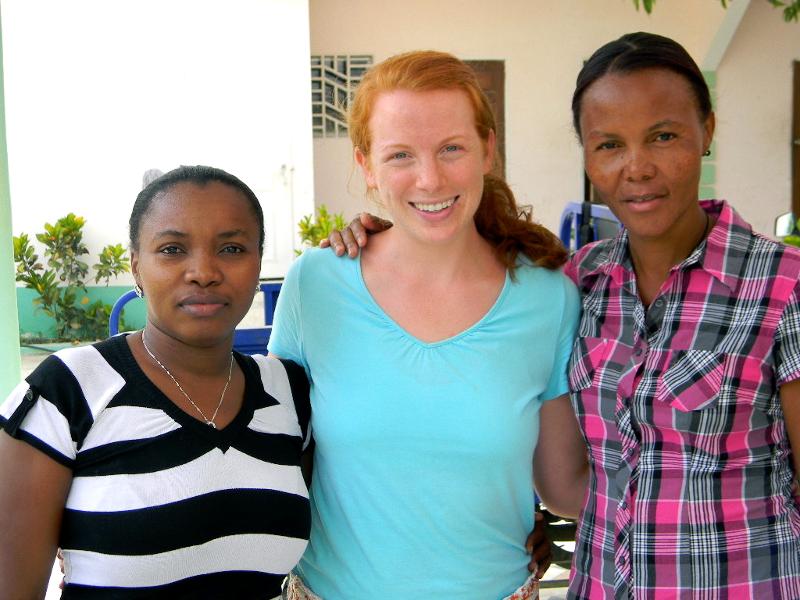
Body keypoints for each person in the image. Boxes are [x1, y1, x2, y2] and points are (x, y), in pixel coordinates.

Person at [327, 32, 800, 598]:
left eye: (664, 136)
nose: (638, 166)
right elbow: (566, 475)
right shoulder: (580, 283)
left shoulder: (783, 286)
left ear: (708, 133)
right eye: (609, 145)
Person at [268, 50, 587, 599]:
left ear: (488, 149)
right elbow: (273, 451)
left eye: (452, 148)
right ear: (366, 164)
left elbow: (565, 487)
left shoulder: (547, 298)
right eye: (400, 155)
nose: (430, 177)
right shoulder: (316, 283)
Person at [0, 165, 312, 598]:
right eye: (171, 249)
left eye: (232, 248)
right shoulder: (68, 391)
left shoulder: (290, 394)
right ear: (135, 267)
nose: (203, 271)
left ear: (258, 262)